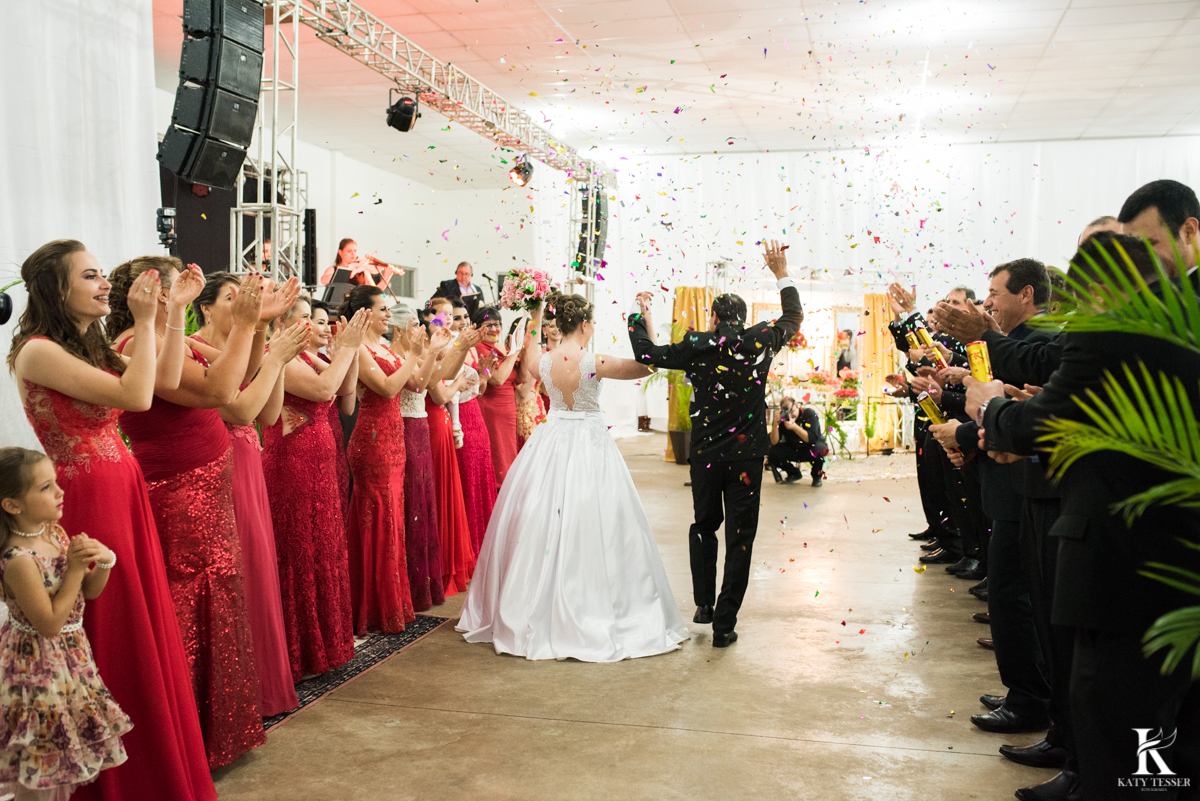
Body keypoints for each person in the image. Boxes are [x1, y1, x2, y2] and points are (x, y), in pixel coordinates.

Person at [967, 232, 1200, 799]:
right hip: (1164, 553)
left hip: (1116, 550)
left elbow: (1048, 413)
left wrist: (990, 411)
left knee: (1112, 713)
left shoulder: (1118, 334)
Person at [9, 240, 215, 801]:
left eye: (104, 275)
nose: (106, 285)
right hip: (86, 495)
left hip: (121, 487)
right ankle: (113, 783)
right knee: (108, 621)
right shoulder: (38, 350)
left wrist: (170, 317)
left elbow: (164, 380)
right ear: (57, 289)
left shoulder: (89, 343)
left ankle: (153, 766)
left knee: (139, 614)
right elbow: (137, 397)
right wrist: (146, 317)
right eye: (92, 276)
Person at [108, 258, 298, 768]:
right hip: (180, 491)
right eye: (180, 285)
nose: (189, 291)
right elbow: (219, 394)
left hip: (209, 487)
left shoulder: (179, 341)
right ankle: (190, 732)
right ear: (151, 294)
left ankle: (221, 730)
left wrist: (256, 327)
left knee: (220, 594)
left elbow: (241, 375)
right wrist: (248, 327)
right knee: (190, 603)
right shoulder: (134, 345)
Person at [458, 293, 689, 661]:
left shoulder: (541, 361)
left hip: (550, 440)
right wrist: (646, 316)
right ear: (584, 325)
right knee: (597, 520)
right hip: (590, 443)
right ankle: (593, 607)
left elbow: (529, 344)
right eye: (592, 323)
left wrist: (533, 312)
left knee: (542, 519)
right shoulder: (595, 362)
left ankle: (534, 602)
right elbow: (648, 365)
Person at [628, 240, 802, 648]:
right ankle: (724, 624)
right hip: (746, 457)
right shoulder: (761, 340)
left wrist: (640, 311)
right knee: (741, 538)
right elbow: (793, 316)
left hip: (705, 455)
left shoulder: (696, 345)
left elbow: (647, 353)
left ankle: (704, 604)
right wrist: (781, 273)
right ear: (741, 319)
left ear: (713, 316)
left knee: (705, 526)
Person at [191, 274, 308, 717]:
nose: (244, 304)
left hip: (248, 460)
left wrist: (268, 344)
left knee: (257, 568)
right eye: (232, 297)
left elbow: (271, 413)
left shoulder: (246, 348)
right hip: (217, 468)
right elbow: (237, 408)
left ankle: (260, 684)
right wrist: (271, 353)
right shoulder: (193, 348)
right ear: (204, 307)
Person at [0, 447, 133, 801]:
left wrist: (102, 562)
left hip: (70, 661)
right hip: (36, 669)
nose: (60, 492)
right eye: (46, 487)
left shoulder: (53, 534)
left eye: (56, 482)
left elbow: (87, 593)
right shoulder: (18, 561)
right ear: (12, 505)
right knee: (42, 761)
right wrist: (74, 567)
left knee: (61, 757)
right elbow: (49, 623)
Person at [262, 298, 368, 679]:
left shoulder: (307, 358)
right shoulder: (281, 358)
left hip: (321, 459)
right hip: (292, 460)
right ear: (283, 324)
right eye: (306, 318)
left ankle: (325, 644)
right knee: (299, 547)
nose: (314, 325)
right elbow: (325, 390)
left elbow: (347, 391)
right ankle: (299, 651)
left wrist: (348, 350)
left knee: (323, 544)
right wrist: (349, 348)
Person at [343, 286, 446, 634]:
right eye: (382, 309)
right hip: (372, 438)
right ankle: (372, 605)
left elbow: (416, 385)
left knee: (394, 518)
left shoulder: (384, 346)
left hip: (394, 438)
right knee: (378, 517)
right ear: (365, 313)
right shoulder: (358, 348)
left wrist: (427, 352)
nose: (388, 314)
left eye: (388, 309)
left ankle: (392, 600)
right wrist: (412, 355)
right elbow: (387, 388)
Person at [391, 303, 444, 612]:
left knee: (423, 503)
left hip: (420, 428)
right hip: (404, 430)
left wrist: (458, 348)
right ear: (400, 329)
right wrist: (433, 351)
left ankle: (424, 583)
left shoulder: (416, 354)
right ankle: (409, 585)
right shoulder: (396, 355)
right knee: (410, 504)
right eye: (414, 324)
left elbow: (442, 374)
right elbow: (420, 383)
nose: (420, 329)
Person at [472, 306, 541, 485]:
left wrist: (524, 348)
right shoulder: (479, 348)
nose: (494, 329)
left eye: (497, 324)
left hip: (509, 410)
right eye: (489, 325)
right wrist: (516, 350)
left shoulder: (500, 348)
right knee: (499, 461)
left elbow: (522, 377)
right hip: (492, 412)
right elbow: (498, 379)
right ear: (478, 327)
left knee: (509, 457)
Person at [453, 310, 499, 556]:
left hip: (475, 415)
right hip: (458, 417)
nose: (461, 322)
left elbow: (478, 389)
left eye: (463, 317)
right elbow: (449, 391)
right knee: (465, 478)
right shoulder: (450, 346)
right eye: (455, 317)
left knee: (480, 474)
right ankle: (467, 547)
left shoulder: (470, 348)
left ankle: (484, 543)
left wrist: (483, 374)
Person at [767, 397, 826, 486]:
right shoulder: (783, 419)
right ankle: (793, 473)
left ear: (797, 406)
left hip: (810, 448)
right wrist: (775, 424)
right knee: (772, 451)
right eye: (786, 412)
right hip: (794, 448)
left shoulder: (809, 414)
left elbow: (811, 439)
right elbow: (774, 442)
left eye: (792, 411)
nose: (790, 415)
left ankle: (816, 477)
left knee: (819, 449)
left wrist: (794, 427)